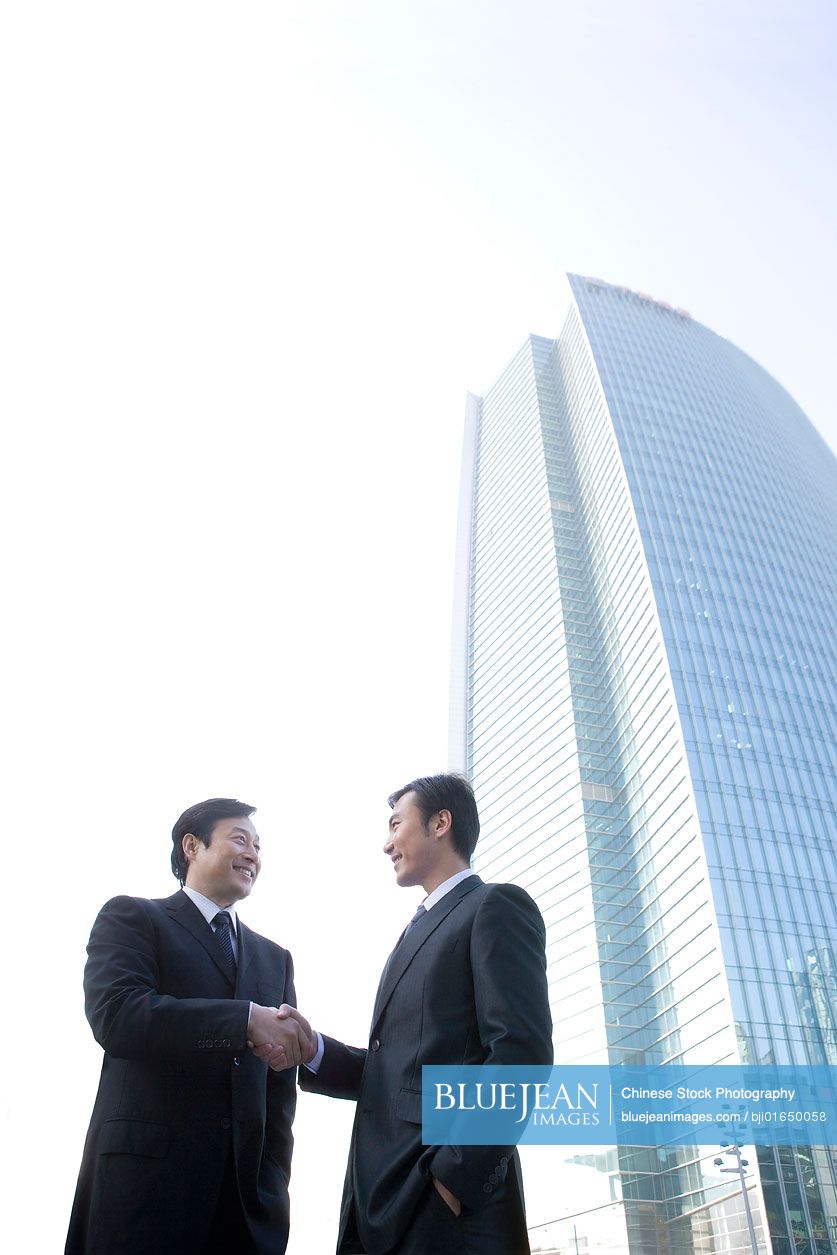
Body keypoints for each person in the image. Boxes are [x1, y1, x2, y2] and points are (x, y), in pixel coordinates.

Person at [270, 773, 553, 1255]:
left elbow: (522, 1055)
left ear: (441, 823)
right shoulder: (417, 928)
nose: (386, 844)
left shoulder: (493, 906)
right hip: (378, 1201)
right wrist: (314, 1049)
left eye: (396, 824)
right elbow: (394, 1070)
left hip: (442, 1207)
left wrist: (454, 1181)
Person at [65, 797, 313, 1255]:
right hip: (143, 1201)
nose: (254, 854)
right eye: (240, 839)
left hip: (244, 1216)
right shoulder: (134, 917)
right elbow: (117, 1016)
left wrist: (272, 1185)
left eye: (259, 845)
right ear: (192, 846)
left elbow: (280, 1092)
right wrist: (243, 1020)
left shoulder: (275, 959)